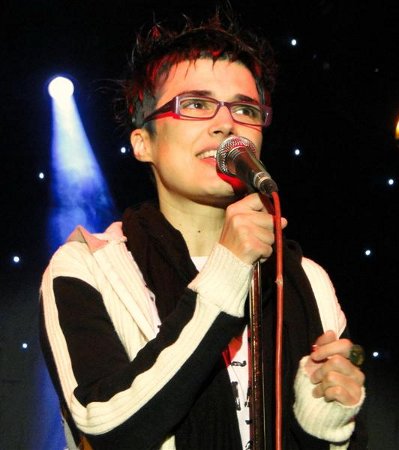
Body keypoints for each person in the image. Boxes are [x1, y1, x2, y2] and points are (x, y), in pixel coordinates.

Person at [39, 10, 366, 450]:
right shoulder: (87, 267)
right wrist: (227, 269)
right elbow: (107, 427)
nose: (226, 124)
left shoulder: (306, 278)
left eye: (245, 109)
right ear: (143, 143)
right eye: (195, 104)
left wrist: (326, 419)